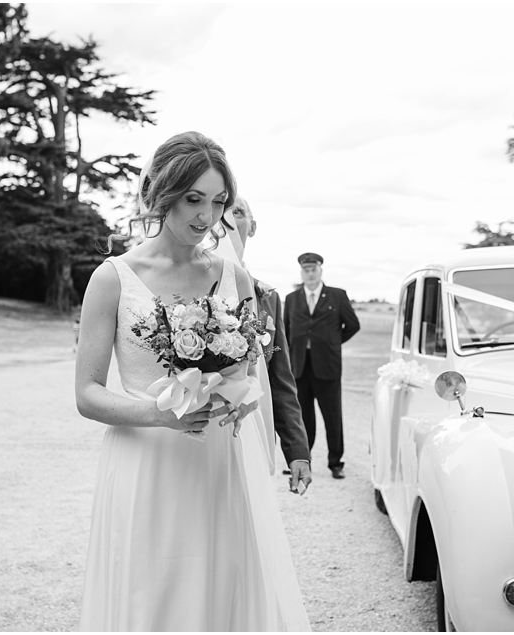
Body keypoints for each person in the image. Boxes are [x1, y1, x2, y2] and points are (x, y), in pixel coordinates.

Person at [75, 131, 310, 631]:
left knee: (223, 594)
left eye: (218, 201)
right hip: (145, 461)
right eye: (194, 199)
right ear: (164, 193)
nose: (206, 217)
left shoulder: (234, 277)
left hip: (218, 461)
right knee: (151, 599)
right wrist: (158, 414)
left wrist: (233, 395)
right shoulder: (113, 277)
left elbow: (249, 373)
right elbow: (87, 394)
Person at [223, 196, 313, 488]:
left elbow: (280, 379)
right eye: (221, 210)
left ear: (252, 227)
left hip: (255, 431)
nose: (228, 219)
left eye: (238, 212)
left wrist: (297, 451)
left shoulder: (268, 297)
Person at [284, 252, 360, 479]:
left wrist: (333, 343)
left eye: (313, 269)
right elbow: (287, 331)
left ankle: (336, 463)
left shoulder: (337, 296)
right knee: (302, 419)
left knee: (332, 417)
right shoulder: (292, 299)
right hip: (300, 368)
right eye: (305, 270)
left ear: (320, 271)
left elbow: (353, 325)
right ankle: (301, 461)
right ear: (301, 273)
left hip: (327, 367)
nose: (309, 273)